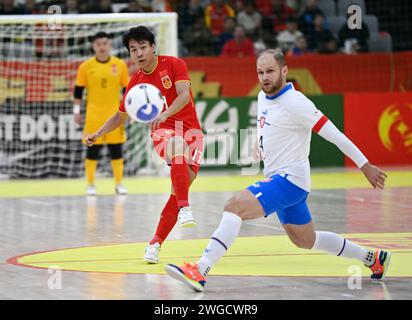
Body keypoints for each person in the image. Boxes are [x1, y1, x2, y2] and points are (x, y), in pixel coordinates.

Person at [165, 49, 390, 292]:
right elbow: (267, 123)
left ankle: (201, 269)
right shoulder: (264, 96)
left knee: (234, 206)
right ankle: (373, 258)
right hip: (284, 181)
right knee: (306, 240)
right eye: (260, 72)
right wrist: (259, 143)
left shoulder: (297, 102)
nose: (265, 77)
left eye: (270, 71)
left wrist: (364, 165)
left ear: (284, 70)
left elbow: (335, 135)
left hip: (289, 180)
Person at [84, 26, 204, 264]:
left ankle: (155, 244)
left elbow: (184, 95)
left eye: (142, 48)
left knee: (179, 187)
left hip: (192, 131)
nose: (138, 53)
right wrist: (97, 133)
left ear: (152, 47)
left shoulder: (174, 64)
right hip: (163, 131)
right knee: (177, 146)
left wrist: (167, 111)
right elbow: (120, 116)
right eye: (133, 50)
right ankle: (185, 207)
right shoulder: (136, 82)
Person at [73, 32, 130, 196]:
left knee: (116, 150)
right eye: (98, 44)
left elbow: (127, 90)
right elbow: (78, 91)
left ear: (110, 45)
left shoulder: (120, 65)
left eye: (105, 43)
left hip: (115, 116)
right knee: (92, 151)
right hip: (93, 116)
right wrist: (76, 112)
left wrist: (129, 110)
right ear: (93, 46)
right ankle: (90, 185)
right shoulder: (86, 66)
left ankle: (119, 183)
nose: (102, 47)